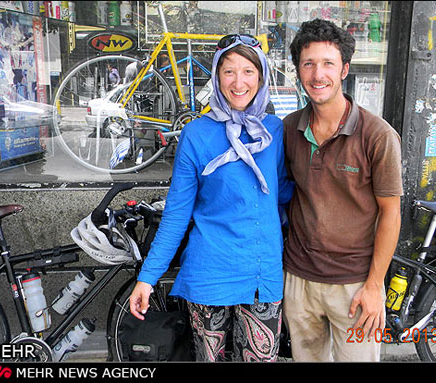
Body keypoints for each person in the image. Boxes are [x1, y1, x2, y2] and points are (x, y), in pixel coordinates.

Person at [129, 34, 293, 362]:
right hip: (210, 272)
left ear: (261, 77)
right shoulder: (196, 134)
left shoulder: (274, 131)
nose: (238, 81)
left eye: (248, 71)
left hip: (263, 272)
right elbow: (177, 214)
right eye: (229, 71)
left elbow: (283, 193)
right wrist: (147, 278)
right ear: (217, 76)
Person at [282, 19, 403, 362]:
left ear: (344, 69)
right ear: (298, 71)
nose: (317, 74)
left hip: (354, 283)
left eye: (328, 64)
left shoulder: (377, 135)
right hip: (300, 279)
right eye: (308, 64)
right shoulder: (290, 128)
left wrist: (375, 286)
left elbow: (390, 214)